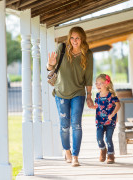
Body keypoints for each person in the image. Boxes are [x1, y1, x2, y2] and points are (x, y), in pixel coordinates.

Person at [47, 26, 94, 167]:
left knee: (77, 124)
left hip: (78, 93)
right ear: (69, 38)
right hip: (61, 93)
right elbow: (50, 69)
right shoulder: (61, 49)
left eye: (77, 38)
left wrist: (89, 96)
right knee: (64, 126)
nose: (75, 40)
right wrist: (50, 64)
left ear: (82, 39)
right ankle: (67, 151)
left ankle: (75, 156)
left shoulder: (88, 54)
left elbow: (89, 77)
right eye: (72, 38)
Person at [91, 74, 120, 164]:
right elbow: (98, 106)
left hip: (110, 121)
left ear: (107, 84)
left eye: (100, 83)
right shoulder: (97, 95)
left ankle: (111, 155)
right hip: (100, 121)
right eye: (96, 83)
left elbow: (118, 105)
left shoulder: (111, 95)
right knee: (99, 138)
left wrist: (113, 114)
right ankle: (103, 149)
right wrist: (93, 106)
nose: (98, 85)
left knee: (108, 138)